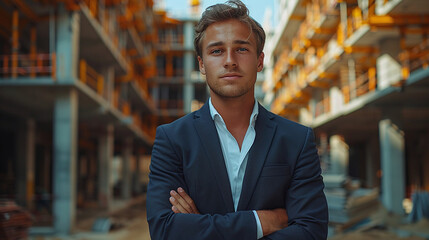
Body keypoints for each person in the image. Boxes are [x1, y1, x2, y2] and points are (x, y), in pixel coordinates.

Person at [146, 1, 328, 239]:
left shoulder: (297, 140)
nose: (230, 60)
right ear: (202, 64)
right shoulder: (172, 139)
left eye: (241, 49)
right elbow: (165, 230)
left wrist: (201, 227)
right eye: (216, 51)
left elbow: (311, 231)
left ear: (260, 61)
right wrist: (260, 222)